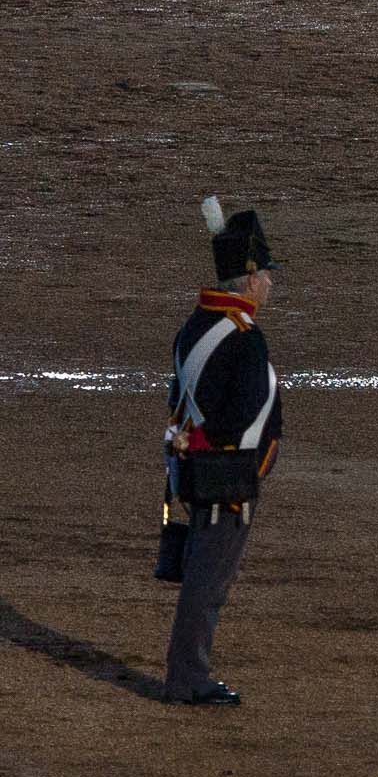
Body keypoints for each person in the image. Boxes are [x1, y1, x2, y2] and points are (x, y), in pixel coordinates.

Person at [162, 196, 284, 707]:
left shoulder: (197, 324)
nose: (272, 283)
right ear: (249, 279)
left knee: (201, 577)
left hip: (192, 471)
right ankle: (188, 680)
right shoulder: (244, 339)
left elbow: (180, 400)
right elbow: (245, 414)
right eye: (267, 275)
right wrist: (243, 476)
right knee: (208, 585)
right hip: (225, 481)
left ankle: (187, 676)